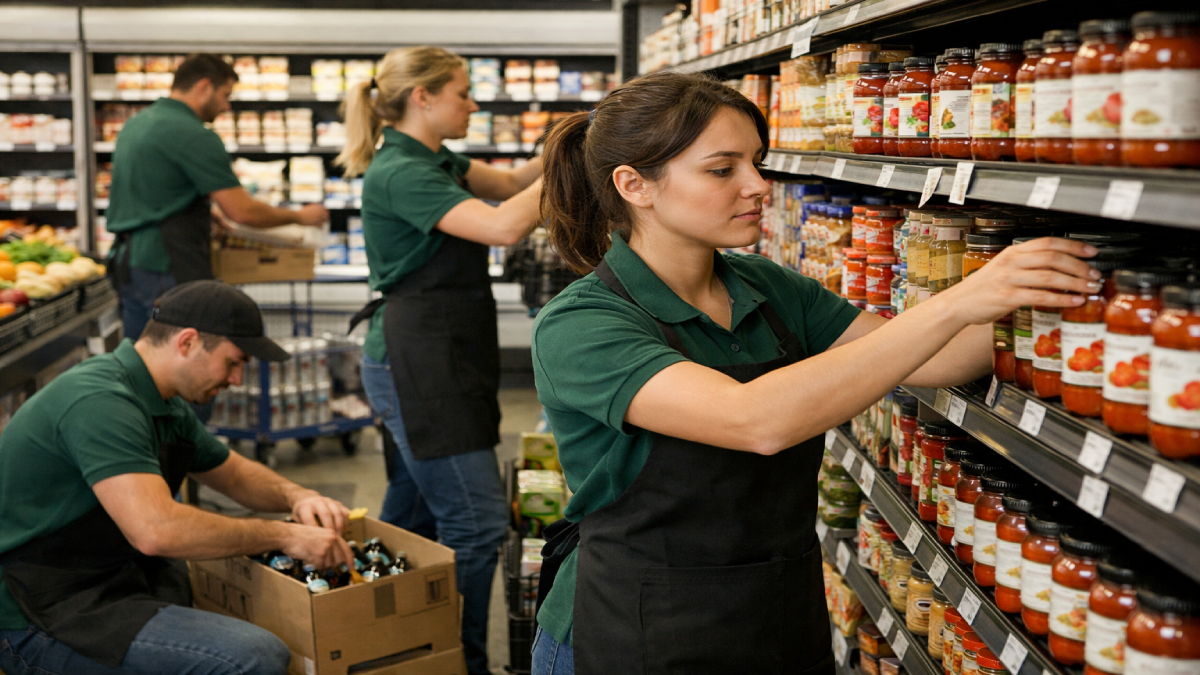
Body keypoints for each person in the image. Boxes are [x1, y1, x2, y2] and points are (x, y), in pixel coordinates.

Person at [529, 72, 1101, 674]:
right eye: (723, 170)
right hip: (632, 627)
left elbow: (933, 359)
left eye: (758, 161)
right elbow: (754, 420)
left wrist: (1061, 305)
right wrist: (959, 300)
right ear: (634, 185)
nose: (758, 186)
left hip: (777, 611)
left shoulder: (766, 286)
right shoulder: (582, 324)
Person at [0, 281, 355, 675]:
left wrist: (297, 496)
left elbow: (233, 474)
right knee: (253, 655)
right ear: (187, 342)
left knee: (198, 589)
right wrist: (285, 535)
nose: (236, 380)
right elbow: (157, 531)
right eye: (233, 362)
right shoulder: (100, 402)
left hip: (108, 578)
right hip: (39, 613)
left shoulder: (161, 401)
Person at [335, 46, 543, 675]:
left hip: (445, 351)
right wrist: (580, 167)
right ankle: (461, 663)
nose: (473, 103)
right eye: (462, 91)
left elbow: (508, 186)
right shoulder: (399, 170)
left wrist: (563, 147)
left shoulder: (435, 158)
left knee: (416, 512)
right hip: (418, 361)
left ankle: (375, 634)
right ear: (422, 97)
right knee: (476, 526)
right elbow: (506, 225)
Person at [106, 53, 329, 341]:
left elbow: (150, 191)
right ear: (204, 87)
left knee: (141, 360)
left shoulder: (136, 124)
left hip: (129, 265)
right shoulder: (194, 135)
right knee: (180, 363)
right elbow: (243, 212)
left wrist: (192, 207)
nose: (226, 106)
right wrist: (300, 216)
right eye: (225, 95)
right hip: (166, 266)